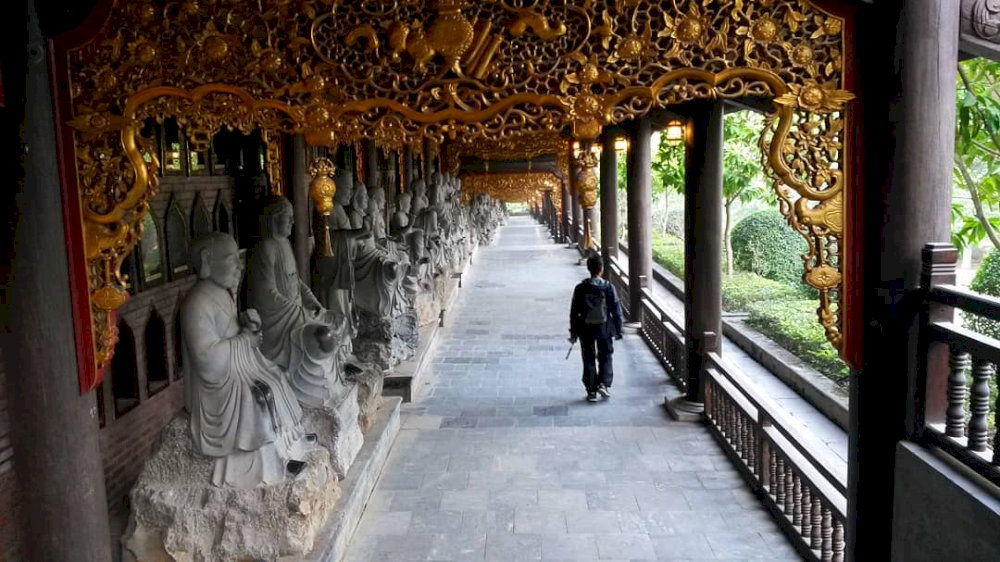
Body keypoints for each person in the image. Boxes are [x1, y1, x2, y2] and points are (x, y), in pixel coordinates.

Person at [569, 255, 623, 402]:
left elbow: (574, 311)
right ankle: (603, 384)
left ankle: (591, 391)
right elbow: (616, 310)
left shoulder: (580, 288)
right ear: (601, 269)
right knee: (605, 355)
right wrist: (619, 329)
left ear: (588, 268)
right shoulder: (608, 287)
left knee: (588, 357)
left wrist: (573, 331)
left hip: (585, 328)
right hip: (605, 327)